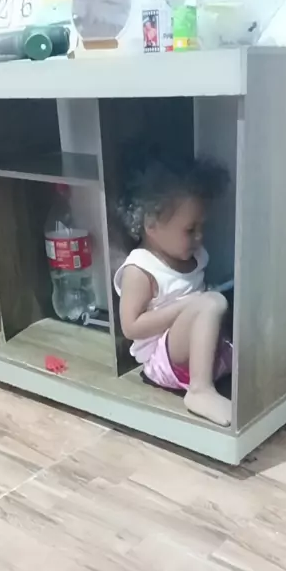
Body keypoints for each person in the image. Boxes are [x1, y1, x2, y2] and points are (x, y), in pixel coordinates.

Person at [114, 156, 232, 427]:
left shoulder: (195, 256)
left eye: (202, 227)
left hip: (192, 347)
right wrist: (189, 305)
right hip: (163, 358)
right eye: (190, 230)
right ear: (151, 225)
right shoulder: (140, 269)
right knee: (211, 304)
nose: (199, 237)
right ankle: (200, 391)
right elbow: (131, 327)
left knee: (226, 299)